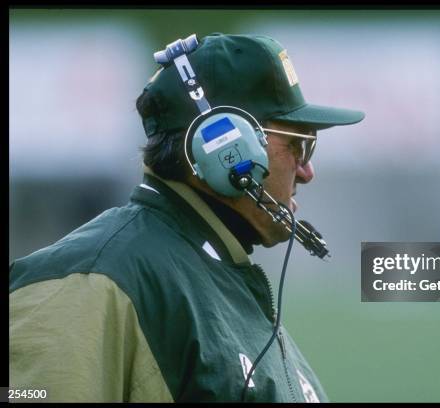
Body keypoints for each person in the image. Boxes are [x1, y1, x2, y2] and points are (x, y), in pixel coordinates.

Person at [9, 32, 364, 402]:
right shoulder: (89, 280)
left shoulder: (215, 272)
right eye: (298, 144)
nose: (306, 172)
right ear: (229, 148)